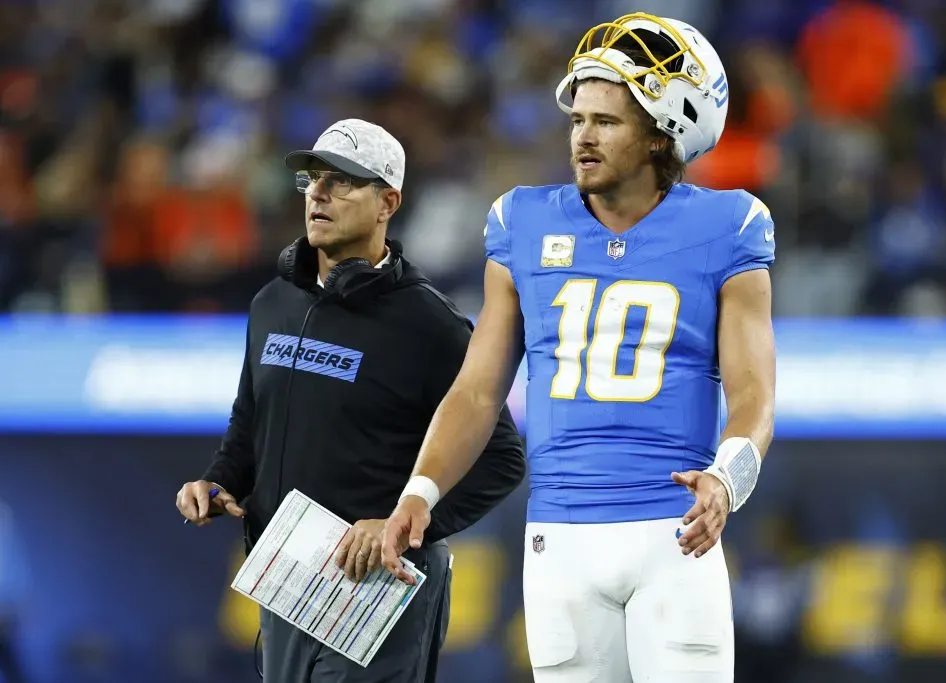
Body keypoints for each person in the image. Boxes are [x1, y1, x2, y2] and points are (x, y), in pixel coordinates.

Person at [382, 12, 776, 683]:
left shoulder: (727, 225)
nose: (583, 137)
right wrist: (420, 490)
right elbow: (478, 389)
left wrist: (727, 475)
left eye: (608, 121)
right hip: (558, 538)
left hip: (673, 536)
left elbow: (753, 391)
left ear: (662, 133)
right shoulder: (523, 221)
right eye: (578, 119)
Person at [175, 118, 526, 683]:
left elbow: (503, 458)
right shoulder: (273, 303)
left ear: (388, 202)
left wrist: (401, 524)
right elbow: (250, 420)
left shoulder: (427, 323)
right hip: (287, 579)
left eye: (342, 182)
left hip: (379, 586)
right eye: (314, 179)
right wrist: (220, 481)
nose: (319, 192)